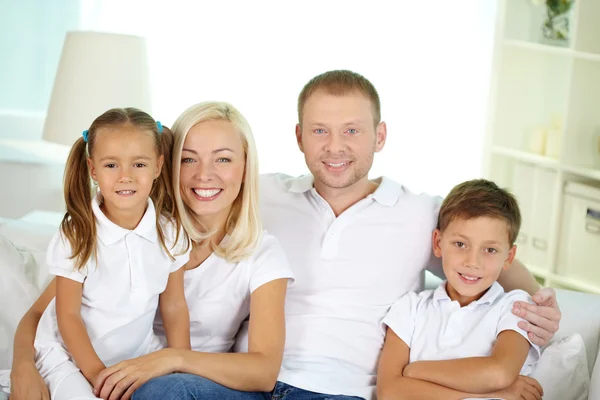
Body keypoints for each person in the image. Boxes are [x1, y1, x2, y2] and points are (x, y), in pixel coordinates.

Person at [258, 69, 562, 400]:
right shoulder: (260, 195)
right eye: (320, 131)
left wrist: (540, 301)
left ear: (380, 136)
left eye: (352, 131)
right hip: (250, 379)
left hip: (338, 391)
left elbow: (487, 248)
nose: (335, 147)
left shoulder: (421, 215)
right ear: (300, 136)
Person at [7, 102, 294, 400]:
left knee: (171, 390)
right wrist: (22, 367)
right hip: (108, 367)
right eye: (187, 160)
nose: (204, 174)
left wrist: (175, 360)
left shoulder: (251, 250)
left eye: (222, 159)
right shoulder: (116, 229)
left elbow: (261, 370)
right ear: (168, 165)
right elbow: (50, 312)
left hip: (188, 381)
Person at [30, 108, 191, 400]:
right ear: (93, 169)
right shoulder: (78, 235)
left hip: (138, 354)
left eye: (139, 164)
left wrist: (183, 371)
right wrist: (100, 378)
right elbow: (68, 317)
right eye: (111, 165)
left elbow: (174, 307)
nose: (125, 177)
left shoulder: (170, 232)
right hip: (71, 358)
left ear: (158, 166)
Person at [376, 179, 544, 400]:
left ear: (508, 257)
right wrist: (498, 393)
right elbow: (390, 393)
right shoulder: (410, 309)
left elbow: (499, 372)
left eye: (490, 249)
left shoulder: (515, 307)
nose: (472, 262)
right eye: (460, 244)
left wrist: (416, 370)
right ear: (438, 243)